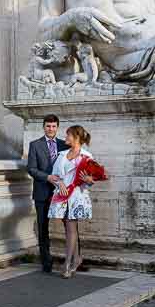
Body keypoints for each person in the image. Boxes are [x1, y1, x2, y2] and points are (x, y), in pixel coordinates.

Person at [49, 125, 98, 278]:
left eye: (68, 135)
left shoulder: (87, 156)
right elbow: (54, 175)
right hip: (62, 196)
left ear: (76, 137)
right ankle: (77, 259)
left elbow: (90, 180)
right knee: (68, 227)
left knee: (71, 226)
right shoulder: (62, 154)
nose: (66, 137)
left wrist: (90, 180)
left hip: (76, 196)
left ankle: (67, 263)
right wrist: (60, 183)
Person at [27, 114, 69, 273]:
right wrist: (47, 177)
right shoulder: (35, 145)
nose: (51, 129)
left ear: (57, 128)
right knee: (43, 227)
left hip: (62, 192)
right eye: (48, 126)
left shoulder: (64, 145)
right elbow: (31, 169)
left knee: (69, 225)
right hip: (42, 192)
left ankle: (72, 259)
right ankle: (46, 261)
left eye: (53, 126)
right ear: (43, 127)